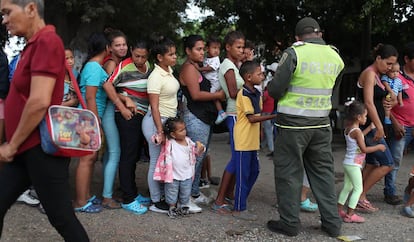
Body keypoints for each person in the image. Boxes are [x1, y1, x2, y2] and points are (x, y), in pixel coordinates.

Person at [0, 0, 89, 240]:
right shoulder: (32, 45)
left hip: (39, 148)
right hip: (25, 149)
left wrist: (12, 144)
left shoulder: (47, 41)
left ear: (30, 9)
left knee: (61, 217)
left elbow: (39, 101)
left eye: (7, 12)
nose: (4, 20)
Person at [266, 17, 344, 237]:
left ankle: (289, 224)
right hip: (321, 123)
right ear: (319, 34)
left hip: (292, 125)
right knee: (323, 174)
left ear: (298, 37)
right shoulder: (335, 55)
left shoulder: (294, 52)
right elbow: (332, 88)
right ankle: (332, 224)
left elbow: (275, 90)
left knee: (289, 173)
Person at [103, 40, 152, 214]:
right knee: (128, 155)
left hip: (142, 116)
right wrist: (123, 103)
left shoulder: (148, 66)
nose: (139, 59)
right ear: (131, 51)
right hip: (127, 116)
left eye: (143, 56)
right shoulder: (124, 66)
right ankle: (128, 198)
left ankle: (133, 192)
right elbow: (107, 84)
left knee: (134, 156)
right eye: (136, 55)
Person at [179, 34, 225, 212]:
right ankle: (185, 199)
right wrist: (218, 96)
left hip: (203, 117)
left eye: (203, 48)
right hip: (195, 117)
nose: (202, 52)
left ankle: (194, 192)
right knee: (194, 159)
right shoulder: (189, 69)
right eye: (198, 49)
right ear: (188, 51)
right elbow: (196, 95)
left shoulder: (197, 67)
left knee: (199, 157)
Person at [232, 60, 276, 221]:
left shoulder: (256, 92)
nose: (262, 76)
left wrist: (260, 132)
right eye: (259, 74)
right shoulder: (243, 94)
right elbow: (251, 118)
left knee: (254, 171)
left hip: (252, 140)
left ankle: (241, 199)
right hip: (243, 139)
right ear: (249, 77)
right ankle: (239, 207)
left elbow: (257, 115)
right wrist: (275, 116)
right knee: (243, 174)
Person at [356, 44, 399, 209]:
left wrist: (390, 99)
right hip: (370, 127)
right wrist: (379, 126)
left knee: (373, 164)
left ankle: (359, 195)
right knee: (387, 163)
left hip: (375, 126)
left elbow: (380, 99)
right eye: (388, 63)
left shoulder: (378, 76)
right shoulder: (369, 74)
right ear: (378, 58)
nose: (389, 67)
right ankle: (359, 197)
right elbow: (368, 101)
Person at [141, 37, 179, 214]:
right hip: (156, 121)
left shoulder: (168, 70)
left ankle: (161, 196)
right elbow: (154, 106)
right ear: (159, 57)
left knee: (164, 161)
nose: (175, 57)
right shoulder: (155, 76)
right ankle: (156, 201)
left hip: (167, 121)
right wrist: (159, 130)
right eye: (170, 54)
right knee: (156, 161)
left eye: (174, 53)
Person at [73, 32, 110, 213]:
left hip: (88, 117)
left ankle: (86, 196)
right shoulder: (94, 67)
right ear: (107, 48)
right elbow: (90, 97)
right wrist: (96, 124)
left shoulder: (92, 66)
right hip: (88, 118)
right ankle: (80, 201)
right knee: (86, 160)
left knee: (90, 158)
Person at [211, 31, 245, 214]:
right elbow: (232, 93)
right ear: (228, 47)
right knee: (235, 159)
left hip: (238, 114)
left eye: (242, 47)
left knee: (237, 157)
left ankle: (229, 193)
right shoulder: (228, 66)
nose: (241, 50)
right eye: (238, 47)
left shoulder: (234, 65)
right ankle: (219, 200)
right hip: (233, 114)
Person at [337, 101, 386, 223]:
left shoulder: (350, 129)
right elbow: (364, 148)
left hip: (348, 163)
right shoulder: (357, 131)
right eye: (365, 116)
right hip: (354, 165)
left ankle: (338, 211)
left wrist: (369, 128)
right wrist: (378, 147)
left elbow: (359, 139)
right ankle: (350, 215)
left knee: (347, 187)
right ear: (358, 117)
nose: (366, 118)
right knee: (358, 189)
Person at [154, 117, 205, 218]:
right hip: (173, 174)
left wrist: (200, 148)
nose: (185, 131)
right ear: (173, 134)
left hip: (187, 173)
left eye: (184, 129)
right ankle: (172, 207)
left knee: (185, 191)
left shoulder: (188, 141)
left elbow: (196, 152)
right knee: (171, 192)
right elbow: (157, 139)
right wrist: (159, 136)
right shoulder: (169, 142)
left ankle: (183, 206)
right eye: (181, 130)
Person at [100, 28, 128, 208]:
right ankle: (107, 197)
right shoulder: (111, 63)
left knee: (109, 153)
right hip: (109, 109)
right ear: (109, 48)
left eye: (124, 44)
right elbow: (109, 89)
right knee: (115, 152)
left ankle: (106, 190)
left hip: (110, 109)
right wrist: (125, 100)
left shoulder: (120, 62)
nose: (122, 48)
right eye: (117, 45)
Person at [387, 42, 414, 217]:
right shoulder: (396, 77)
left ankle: (410, 188)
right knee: (395, 159)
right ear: (407, 59)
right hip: (401, 125)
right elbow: (386, 103)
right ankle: (390, 192)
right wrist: (394, 122)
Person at [195, 36, 227, 124]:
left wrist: (199, 69)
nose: (217, 50)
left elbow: (210, 68)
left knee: (213, 95)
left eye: (218, 48)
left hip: (215, 82)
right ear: (207, 49)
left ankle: (221, 112)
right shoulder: (206, 59)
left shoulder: (216, 59)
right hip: (211, 82)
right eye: (214, 48)